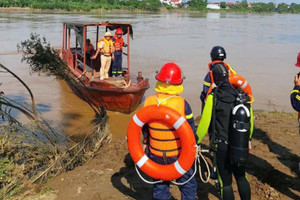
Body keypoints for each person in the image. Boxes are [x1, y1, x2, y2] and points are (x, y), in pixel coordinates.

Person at [196, 63, 253, 200]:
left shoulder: (213, 97)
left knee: (226, 183)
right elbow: (250, 123)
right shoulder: (241, 96)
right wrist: (248, 139)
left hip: (222, 146)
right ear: (228, 76)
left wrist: (195, 141)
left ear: (214, 79)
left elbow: (204, 124)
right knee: (241, 177)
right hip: (240, 144)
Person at [142, 62, 198, 200]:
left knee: (160, 187)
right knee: (188, 185)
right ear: (178, 83)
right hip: (178, 155)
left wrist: (145, 142)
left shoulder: (149, 102)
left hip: (156, 154)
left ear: (159, 81)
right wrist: (194, 147)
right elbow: (190, 132)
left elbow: (144, 127)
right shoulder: (182, 104)